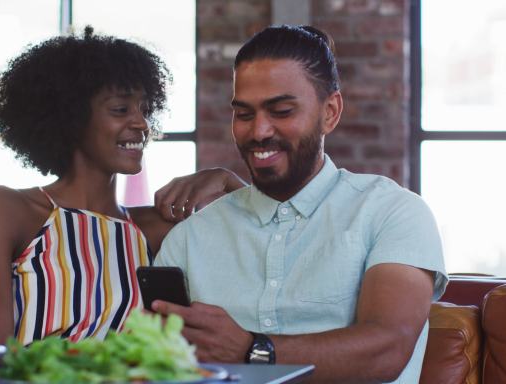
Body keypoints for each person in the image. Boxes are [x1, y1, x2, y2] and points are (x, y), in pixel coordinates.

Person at [153, 25, 447, 383]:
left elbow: (386, 348)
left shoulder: (392, 213)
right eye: (244, 114)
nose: (259, 130)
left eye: (281, 111)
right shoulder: (189, 239)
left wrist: (252, 350)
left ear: (330, 112)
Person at [0, 27, 244, 345]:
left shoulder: (151, 228)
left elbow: (264, 243)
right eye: (121, 109)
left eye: (144, 109)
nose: (141, 123)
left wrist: (227, 180)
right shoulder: (6, 209)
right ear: (70, 117)